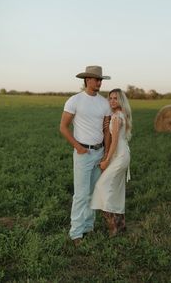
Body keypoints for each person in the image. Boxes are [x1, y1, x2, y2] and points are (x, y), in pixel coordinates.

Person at [59, 65, 111, 246]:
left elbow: (106, 131)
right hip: (83, 153)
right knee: (81, 195)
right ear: (87, 80)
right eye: (97, 79)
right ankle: (76, 233)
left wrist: (106, 153)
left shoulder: (104, 103)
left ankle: (89, 226)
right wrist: (78, 147)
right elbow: (63, 127)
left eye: (101, 79)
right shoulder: (74, 101)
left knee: (93, 192)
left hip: (99, 152)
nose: (99, 82)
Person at [91, 88, 132, 236]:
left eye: (115, 98)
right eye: (110, 98)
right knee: (116, 190)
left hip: (119, 155)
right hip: (121, 154)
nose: (112, 101)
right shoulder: (120, 114)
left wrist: (106, 160)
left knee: (102, 186)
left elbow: (114, 141)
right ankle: (121, 225)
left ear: (121, 100)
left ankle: (113, 227)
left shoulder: (116, 117)